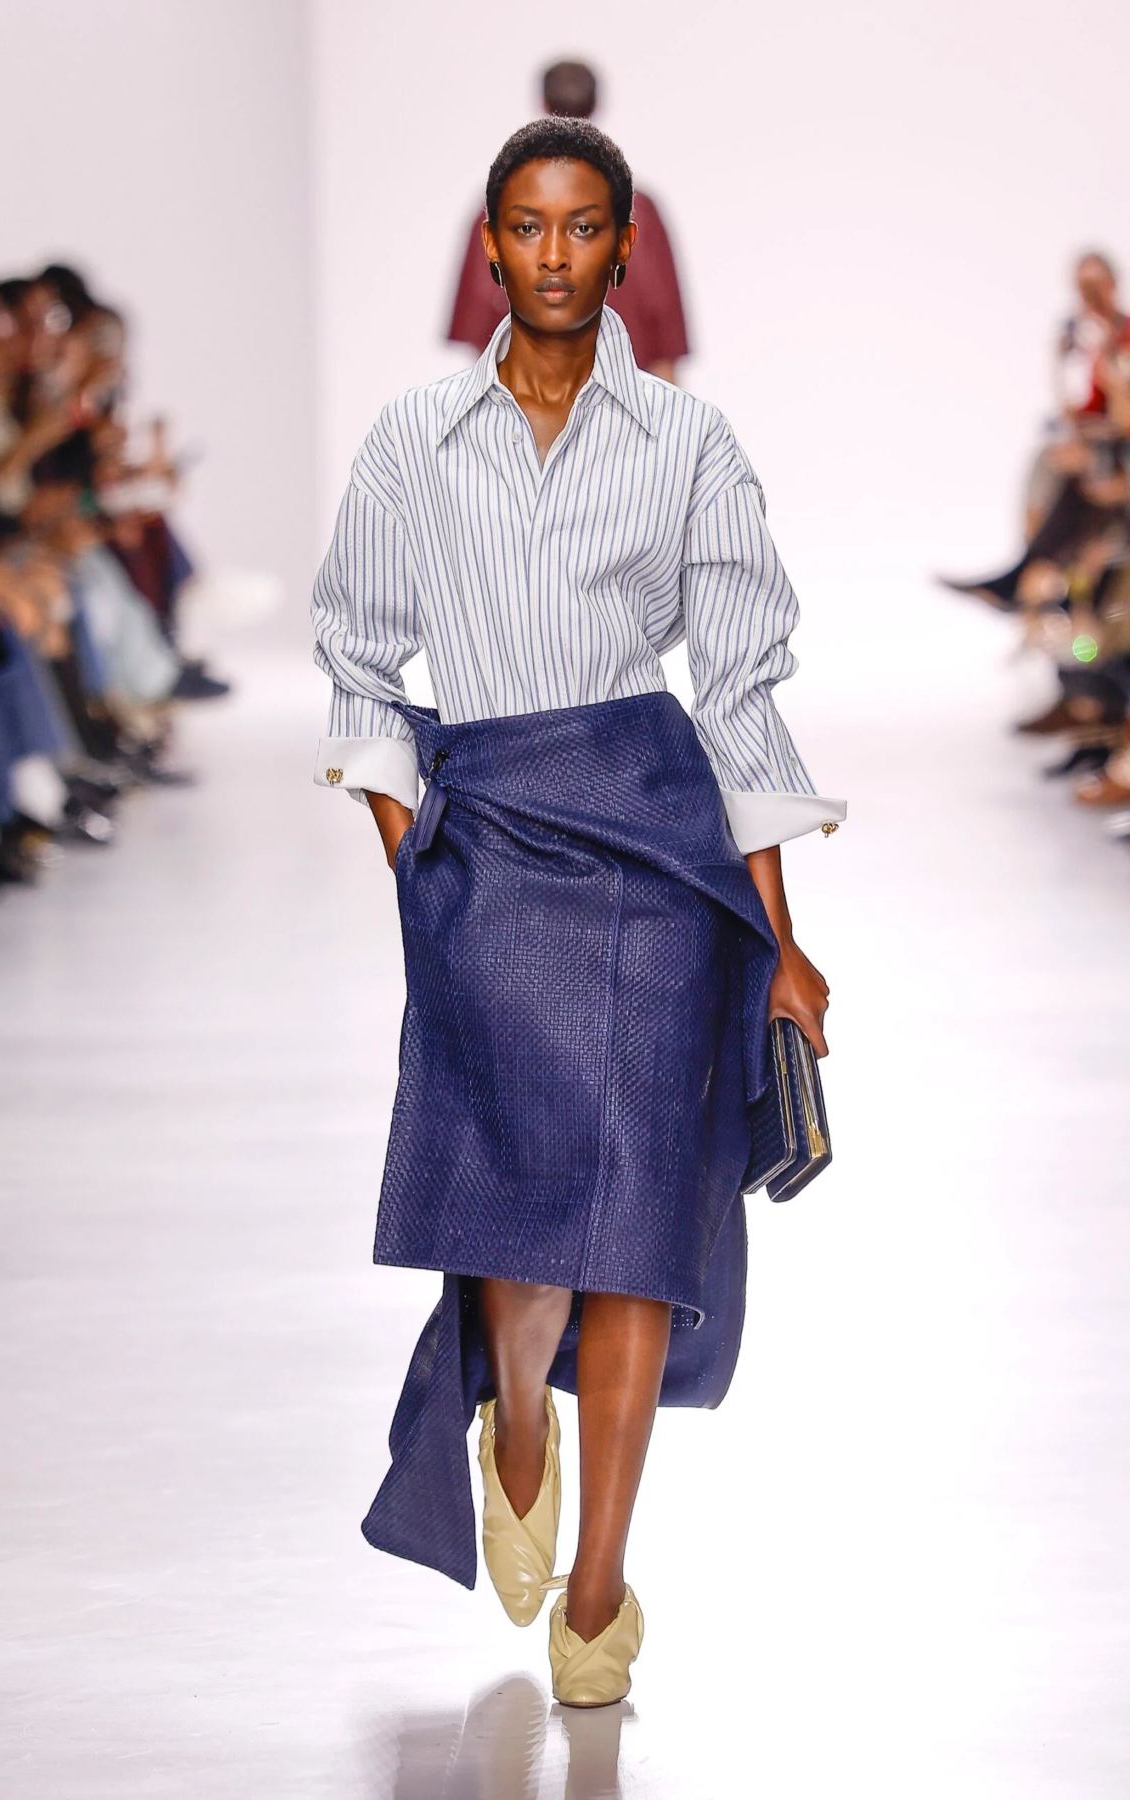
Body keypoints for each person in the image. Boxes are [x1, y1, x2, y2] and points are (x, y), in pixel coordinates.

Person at [311, 118, 846, 1707]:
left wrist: (783, 936)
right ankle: (517, 1425)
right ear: (490, 245)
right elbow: (356, 655)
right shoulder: (415, 439)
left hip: (659, 848)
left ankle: (599, 1582)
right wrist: (415, 848)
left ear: (625, 247)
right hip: (490, 841)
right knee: (522, 1211)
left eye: (585, 226)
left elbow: (737, 691)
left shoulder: (688, 442)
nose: (556, 255)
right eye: (529, 227)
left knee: (640, 1229)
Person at [446, 60, 690, 382]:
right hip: (620, 405)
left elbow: (479, 330)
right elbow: (665, 342)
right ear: (596, 104)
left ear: (543, 104)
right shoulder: (638, 211)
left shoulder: (501, 207)